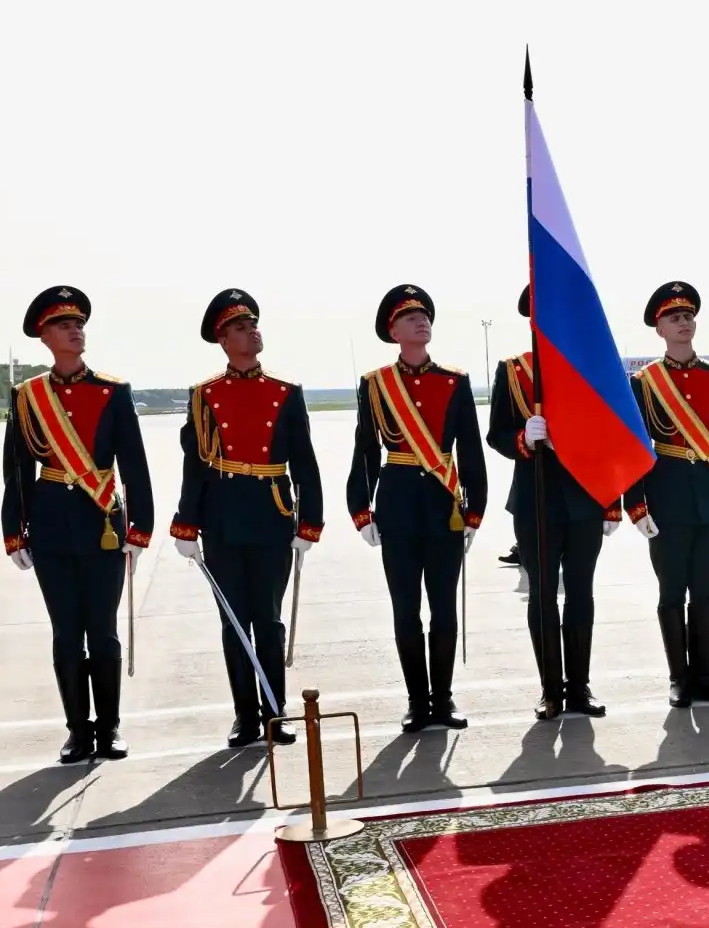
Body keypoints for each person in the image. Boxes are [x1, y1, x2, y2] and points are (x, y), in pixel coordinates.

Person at [2, 286, 153, 763]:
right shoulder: (27, 397)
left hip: (103, 522)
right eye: (63, 325)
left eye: (78, 323)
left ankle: (109, 728)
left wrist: (139, 530)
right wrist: (14, 532)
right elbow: (16, 471)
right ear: (44, 337)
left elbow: (135, 465)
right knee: (66, 633)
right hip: (50, 524)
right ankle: (77, 731)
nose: (75, 330)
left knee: (103, 632)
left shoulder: (112, 391)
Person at [175, 289, 323, 747]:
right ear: (223, 340)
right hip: (222, 517)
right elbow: (196, 464)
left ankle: (276, 711)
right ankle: (245, 715)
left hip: (272, 514)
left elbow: (305, 462)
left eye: (253, 324)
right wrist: (186, 523)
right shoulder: (204, 395)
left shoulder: (285, 392)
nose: (252, 332)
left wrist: (310, 522)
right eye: (240, 327)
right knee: (234, 622)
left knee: (269, 621)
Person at [349, 285, 485, 732]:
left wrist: (475, 510)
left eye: (425, 315)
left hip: (445, 505)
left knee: (444, 608)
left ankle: (443, 699)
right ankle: (417, 701)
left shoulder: (454, 381)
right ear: (393, 331)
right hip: (398, 503)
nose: (421, 321)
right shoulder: (376, 385)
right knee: (405, 608)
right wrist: (361, 509)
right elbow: (366, 451)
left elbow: (470, 449)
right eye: (410, 317)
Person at [488, 284, 619, 720]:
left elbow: (611, 435)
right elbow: (496, 434)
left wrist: (612, 499)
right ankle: (550, 690)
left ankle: (579, 687)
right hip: (536, 499)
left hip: (584, 497)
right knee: (542, 595)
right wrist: (522, 438)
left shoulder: (590, 367)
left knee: (580, 593)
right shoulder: (514, 370)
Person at [626, 283, 709, 706]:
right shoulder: (645, 382)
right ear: (659, 329)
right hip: (667, 498)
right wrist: (636, 504)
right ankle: (679, 678)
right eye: (674, 317)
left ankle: (705, 676)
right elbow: (635, 447)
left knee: (706, 594)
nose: (683, 322)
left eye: (688, 315)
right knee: (672, 593)